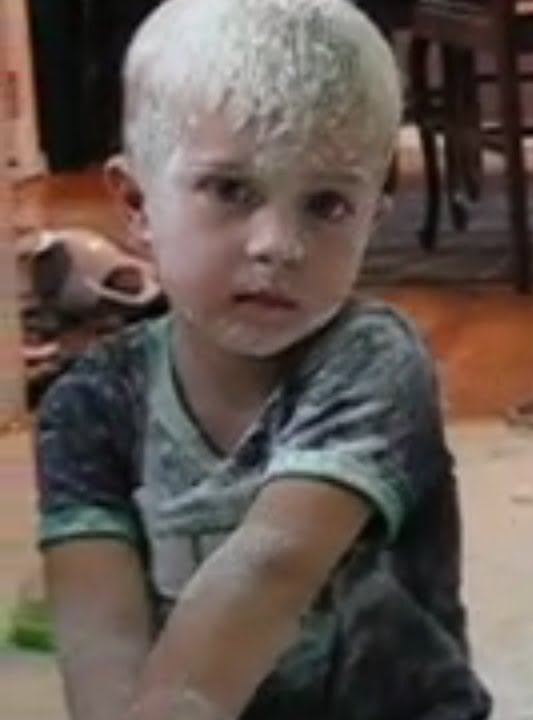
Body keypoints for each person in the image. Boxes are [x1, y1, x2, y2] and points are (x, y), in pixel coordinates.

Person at [33, 0, 492, 718]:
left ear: (375, 214)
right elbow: (100, 635)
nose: (277, 243)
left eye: (327, 205)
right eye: (231, 190)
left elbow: (272, 568)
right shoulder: (88, 406)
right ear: (136, 202)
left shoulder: (374, 362)